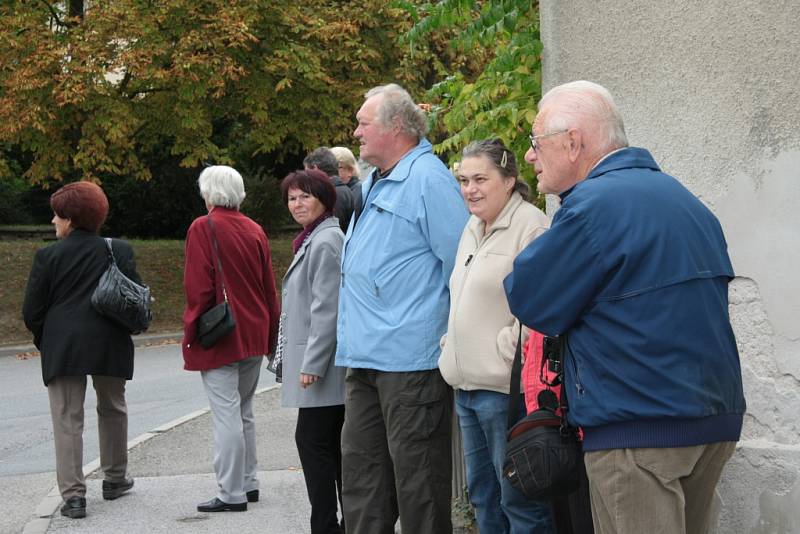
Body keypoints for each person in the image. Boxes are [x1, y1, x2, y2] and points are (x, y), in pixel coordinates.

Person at [504, 80, 746, 534]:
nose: (531, 156)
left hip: (637, 430)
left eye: (537, 144)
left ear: (573, 143)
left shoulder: (594, 207)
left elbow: (528, 296)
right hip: (712, 421)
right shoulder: (684, 199)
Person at [336, 83, 469, 534]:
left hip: (411, 363)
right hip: (364, 356)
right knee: (361, 481)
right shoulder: (374, 180)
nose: (355, 132)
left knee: (420, 489)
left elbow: (461, 268)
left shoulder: (428, 180)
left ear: (396, 127)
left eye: (363, 122)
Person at [439, 139, 555, 534]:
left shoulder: (532, 226)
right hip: (466, 389)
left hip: (506, 393)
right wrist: (450, 344)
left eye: (480, 179)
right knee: (482, 497)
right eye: (463, 180)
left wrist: (508, 351)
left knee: (519, 499)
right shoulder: (472, 227)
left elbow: (543, 304)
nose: (469, 189)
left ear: (508, 181)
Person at [22, 181, 141, 519]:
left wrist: (46, 338)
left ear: (70, 219)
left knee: (67, 419)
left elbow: (32, 311)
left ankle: (74, 497)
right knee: (113, 408)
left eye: (56, 216)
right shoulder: (119, 249)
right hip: (109, 340)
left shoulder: (48, 256)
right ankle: (115, 479)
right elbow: (134, 297)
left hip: (64, 344)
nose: (53, 223)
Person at [182, 165, 280, 513]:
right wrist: (272, 334)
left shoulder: (203, 226)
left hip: (221, 331)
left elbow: (199, 288)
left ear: (208, 193)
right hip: (254, 327)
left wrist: (192, 329)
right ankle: (249, 482)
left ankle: (230, 492)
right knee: (244, 410)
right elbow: (269, 287)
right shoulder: (254, 229)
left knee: (225, 413)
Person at [277, 169, 347, 534]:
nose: (297, 204)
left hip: (322, 366)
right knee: (331, 445)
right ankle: (337, 521)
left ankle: (325, 524)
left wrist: (313, 364)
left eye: (305, 196)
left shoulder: (325, 240)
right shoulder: (314, 237)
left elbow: (327, 307)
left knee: (314, 442)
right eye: (292, 198)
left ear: (324, 198)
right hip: (317, 363)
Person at [303, 147, 355, 232]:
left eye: (307, 172)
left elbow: (330, 230)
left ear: (315, 169)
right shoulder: (341, 190)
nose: (306, 178)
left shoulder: (332, 194)